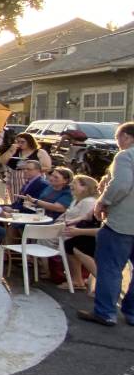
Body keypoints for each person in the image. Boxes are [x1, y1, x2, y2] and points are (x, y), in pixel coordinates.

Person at [79, 122, 134, 326]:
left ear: (126, 137)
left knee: (110, 268)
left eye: (118, 138)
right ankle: (132, 312)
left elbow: (121, 184)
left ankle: (106, 312)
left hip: (123, 223)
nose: (117, 142)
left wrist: (103, 201)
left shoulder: (126, 156)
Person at [60, 175, 100, 288]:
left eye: (74, 183)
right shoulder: (96, 201)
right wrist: (71, 222)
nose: (70, 185)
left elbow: (103, 229)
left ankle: (103, 282)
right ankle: (77, 280)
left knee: (78, 247)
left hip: (103, 236)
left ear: (86, 187)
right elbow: (86, 217)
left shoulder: (90, 201)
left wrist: (77, 231)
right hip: (90, 232)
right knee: (70, 244)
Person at [0, 132, 53, 201]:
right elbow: (2, 161)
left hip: (32, 179)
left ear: (30, 142)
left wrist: (29, 168)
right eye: (17, 142)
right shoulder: (15, 151)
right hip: (15, 179)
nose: (20, 144)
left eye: (22, 142)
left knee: (30, 200)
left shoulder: (40, 152)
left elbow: (47, 167)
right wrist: (10, 151)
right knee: (15, 199)